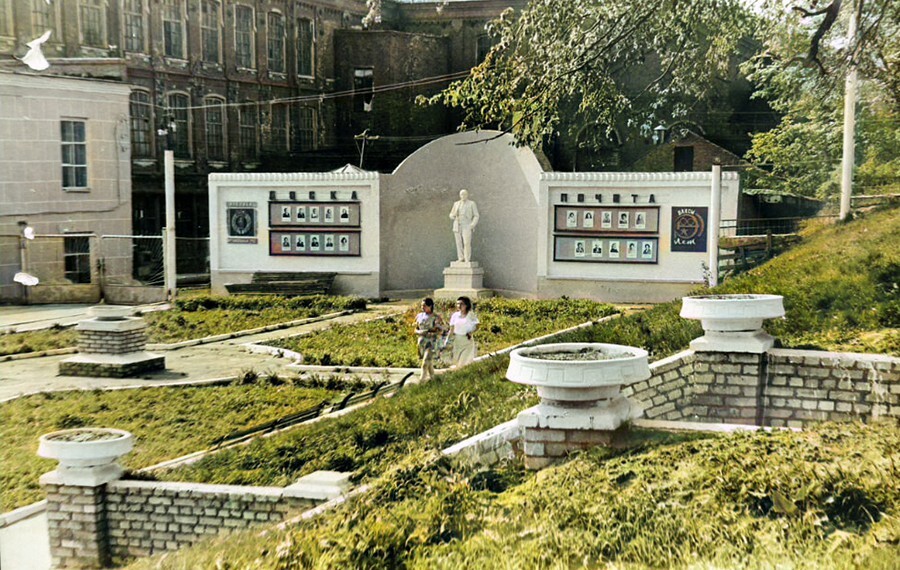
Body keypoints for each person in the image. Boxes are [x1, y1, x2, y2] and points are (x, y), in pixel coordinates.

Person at [414, 298, 444, 381]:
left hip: (432, 343)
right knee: (429, 362)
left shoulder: (436, 317)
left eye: (424, 306)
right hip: (422, 341)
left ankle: (421, 381)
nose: (422, 307)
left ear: (430, 306)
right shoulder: (419, 316)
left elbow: (440, 330)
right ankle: (434, 379)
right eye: (421, 306)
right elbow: (415, 329)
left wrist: (430, 332)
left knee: (425, 362)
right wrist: (420, 332)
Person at [449, 189, 480, 262]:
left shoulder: (471, 203)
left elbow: (476, 215)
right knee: (458, 243)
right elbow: (451, 214)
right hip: (457, 224)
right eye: (461, 194)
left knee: (466, 242)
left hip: (467, 224)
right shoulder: (456, 204)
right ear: (459, 195)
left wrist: (472, 224)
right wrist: (452, 216)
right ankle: (460, 257)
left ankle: (467, 258)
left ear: (467, 195)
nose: (463, 196)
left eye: (464, 194)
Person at [449, 296, 479, 367]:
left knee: (463, 362)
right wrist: (448, 340)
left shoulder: (470, 315)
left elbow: (477, 325)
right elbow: (451, 329)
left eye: (461, 304)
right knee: (456, 362)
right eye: (458, 304)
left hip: (467, 341)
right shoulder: (455, 315)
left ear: (466, 305)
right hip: (457, 341)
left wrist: (471, 332)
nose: (459, 306)